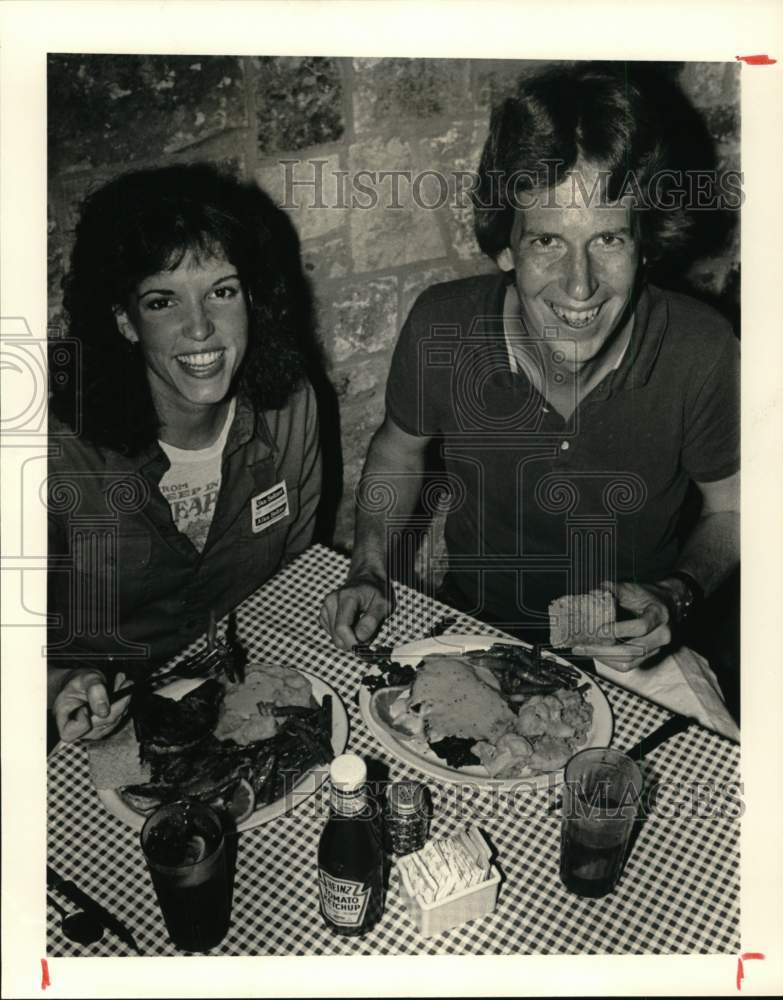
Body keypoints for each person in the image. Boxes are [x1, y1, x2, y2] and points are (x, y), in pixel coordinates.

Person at [320, 64, 739, 705]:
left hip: (640, 655)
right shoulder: (444, 324)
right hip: (477, 633)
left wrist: (675, 594)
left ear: (646, 244)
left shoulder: (703, 349)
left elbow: (734, 507)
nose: (580, 286)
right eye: (547, 240)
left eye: (607, 239)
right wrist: (371, 567)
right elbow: (398, 450)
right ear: (506, 247)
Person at [48, 163, 322, 741]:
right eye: (162, 302)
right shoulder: (53, 452)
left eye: (221, 291)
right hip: (95, 725)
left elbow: (294, 578)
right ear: (124, 320)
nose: (201, 329)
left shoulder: (290, 408)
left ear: (253, 299)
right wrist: (54, 681)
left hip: (240, 700)